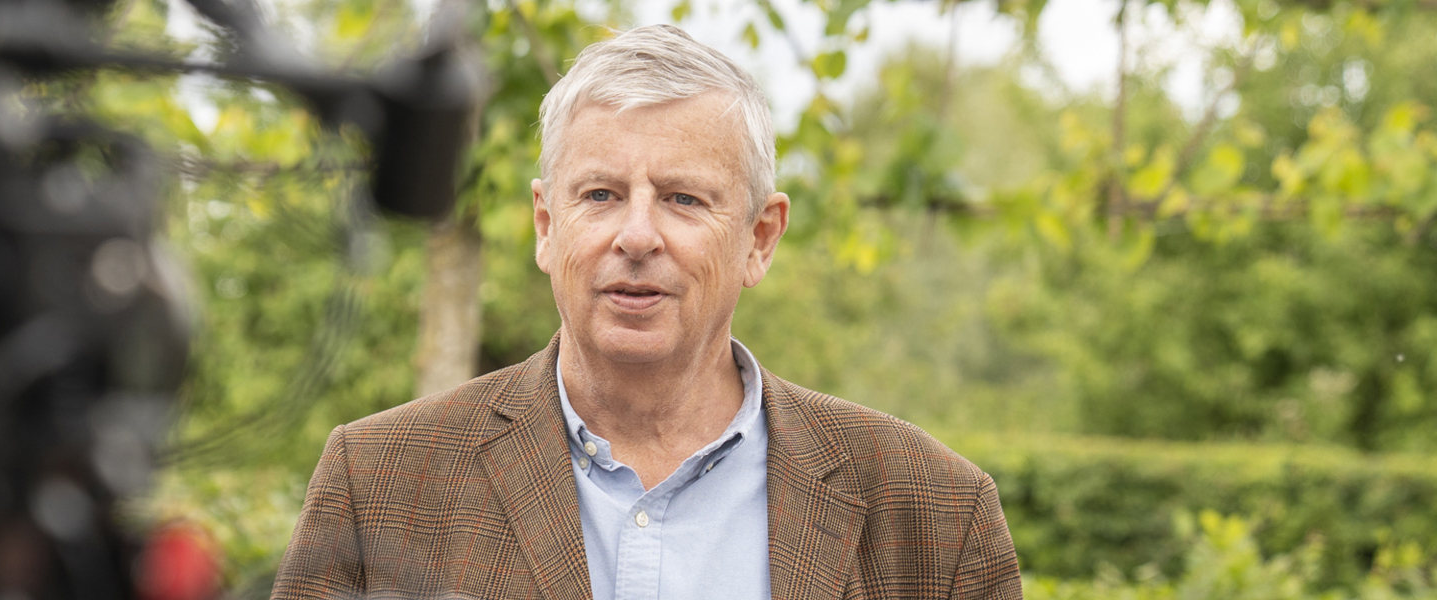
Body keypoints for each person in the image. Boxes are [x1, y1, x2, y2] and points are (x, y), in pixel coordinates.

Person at [271, 24, 1020, 600]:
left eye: (682, 199)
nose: (636, 236)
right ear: (545, 225)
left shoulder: (934, 512)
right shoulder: (379, 482)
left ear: (760, 238)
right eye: (599, 194)